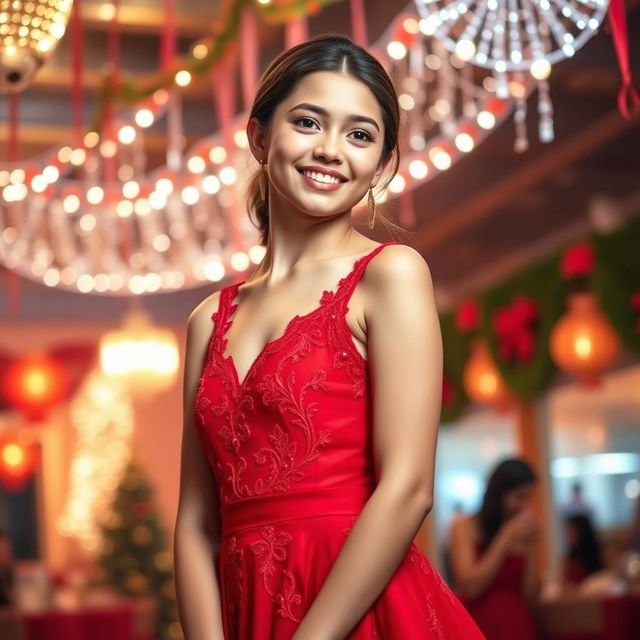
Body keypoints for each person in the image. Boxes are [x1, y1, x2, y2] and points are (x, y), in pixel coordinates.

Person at [174, 33, 485, 640]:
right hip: (242, 611)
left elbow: (408, 488)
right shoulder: (207, 319)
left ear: (382, 164)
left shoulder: (390, 275)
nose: (331, 150)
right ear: (260, 138)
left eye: (360, 134)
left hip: (358, 612)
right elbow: (195, 524)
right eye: (309, 121)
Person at [449, 458, 541, 640]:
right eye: (519, 497)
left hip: (517, 624)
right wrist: (504, 538)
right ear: (499, 494)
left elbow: (531, 596)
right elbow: (471, 586)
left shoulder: (520, 532)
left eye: (528, 498)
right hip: (479, 622)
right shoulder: (464, 526)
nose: (524, 506)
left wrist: (531, 549)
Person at [562, 514, 603, 587]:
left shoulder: (601, 553)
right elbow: (563, 584)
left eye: (571, 532)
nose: (568, 536)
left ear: (581, 532)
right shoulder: (569, 558)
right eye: (567, 532)